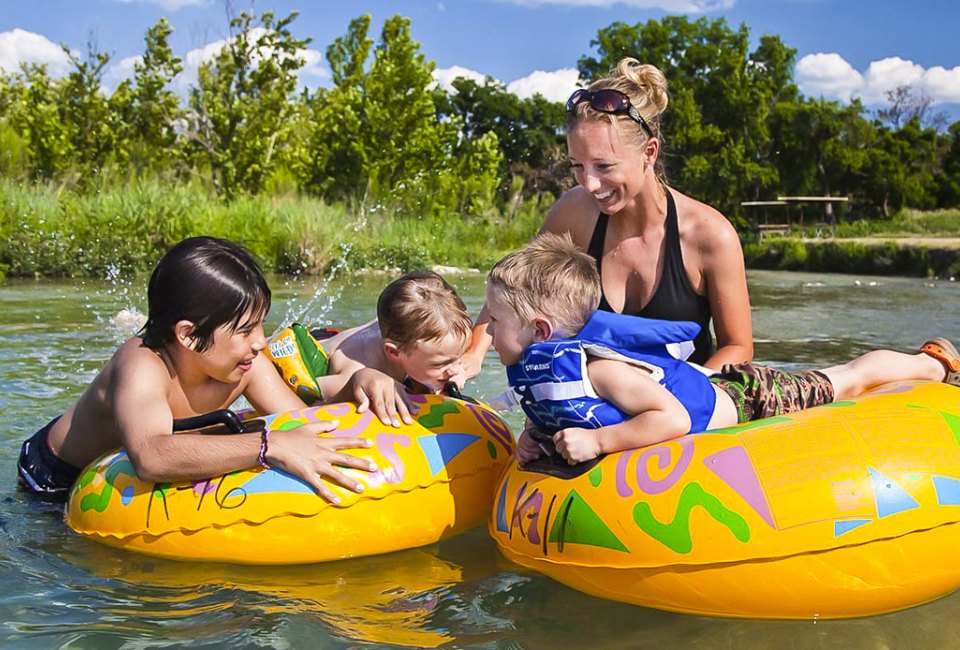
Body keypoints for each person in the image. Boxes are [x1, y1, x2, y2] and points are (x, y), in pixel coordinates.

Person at [485, 233, 960, 466]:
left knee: (844, 380)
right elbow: (560, 406)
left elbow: (670, 420)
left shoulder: (603, 371)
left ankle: (931, 362)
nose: (486, 333)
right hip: (701, 384)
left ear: (542, 330)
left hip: (745, 396)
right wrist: (536, 436)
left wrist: (599, 442)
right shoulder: (544, 367)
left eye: (494, 321)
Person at [17, 236, 378, 503]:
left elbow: (301, 421)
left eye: (261, 326)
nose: (261, 343)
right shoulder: (143, 365)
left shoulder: (247, 366)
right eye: (244, 330)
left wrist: (356, 383)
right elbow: (151, 457)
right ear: (189, 336)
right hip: (55, 478)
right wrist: (269, 445)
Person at [464, 57, 753, 376]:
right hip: (590, 409)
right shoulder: (574, 213)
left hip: (687, 412)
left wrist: (675, 395)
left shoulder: (711, 236)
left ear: (649, 153)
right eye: (577, 166)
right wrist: (473, 354)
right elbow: (512, 289)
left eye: (604, 166)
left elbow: (738, 347)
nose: (588, 184)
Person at [268, 270, 473, 428]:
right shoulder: (358, 368)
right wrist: (354, 384)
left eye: (458, 356)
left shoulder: (419, 330)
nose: (456, 369)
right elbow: (307, 407)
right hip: (321, 361)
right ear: (393, 352)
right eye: (442, 363)